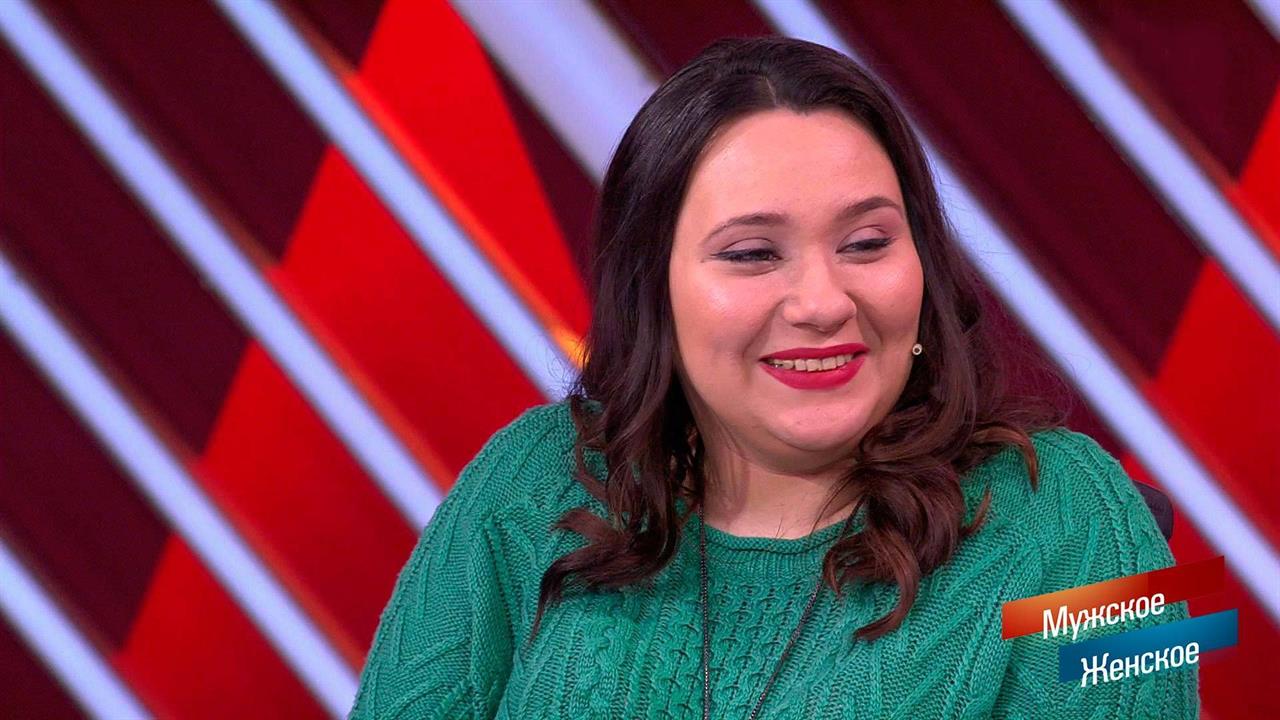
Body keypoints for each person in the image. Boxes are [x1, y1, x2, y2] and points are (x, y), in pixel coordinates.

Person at [349, 36, 1198, 719]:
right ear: (654, 288)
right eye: (753, 254)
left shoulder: (1084, 518)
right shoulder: (529, 478)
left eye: (867, 243)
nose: (823, 302)